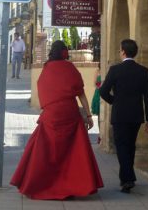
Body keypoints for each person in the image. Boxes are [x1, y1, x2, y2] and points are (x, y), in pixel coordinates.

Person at [10, 40, 104, 199]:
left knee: (45, 151)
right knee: (72, 151)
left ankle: (41, 184)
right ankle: (72, 186)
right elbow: (81, 94)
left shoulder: (46, 69)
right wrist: (88, 116)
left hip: (51, 114)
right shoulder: (70, 68)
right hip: (69, 113)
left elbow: (42, 90)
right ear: (65, 53)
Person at [99, 39, 148, 194]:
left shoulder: (115, 70)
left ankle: (128, 178)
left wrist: (114, 101)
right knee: (130, 145)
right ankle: (126, 179)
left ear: (123, 51)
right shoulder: (144, 71)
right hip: (136, 115)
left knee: (121, 146)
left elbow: (103, 91)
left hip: (120, 114)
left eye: (119, 50)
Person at [91, 62, 101, 144]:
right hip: (98, 93)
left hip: (105, 91)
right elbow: (95, 83)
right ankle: (100, 134)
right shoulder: (97, 71)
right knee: (99, 115)